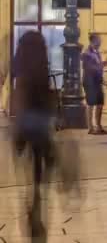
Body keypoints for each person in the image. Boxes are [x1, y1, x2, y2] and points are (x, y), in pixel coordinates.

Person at [12, 31, 56, 241]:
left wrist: (17, 127)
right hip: (40, 125)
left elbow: (19, 93)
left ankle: (32, 207)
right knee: (39, 171)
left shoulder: (21, 66)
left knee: (26, 173)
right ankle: (37, 201)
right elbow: (48, 96)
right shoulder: (42, 65)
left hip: (27, 122)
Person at [82, 33, 107, 135]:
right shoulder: (86, 53)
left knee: (100, 103)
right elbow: (89, 68)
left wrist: (103, 65)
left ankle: (98, 126)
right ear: (93, 41)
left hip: (97, 81)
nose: (100, 42)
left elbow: (97, 66)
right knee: (90, 104)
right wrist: (102, 65)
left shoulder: (96, 52)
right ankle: (90, 128)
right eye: (99, 40)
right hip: (89, 82)